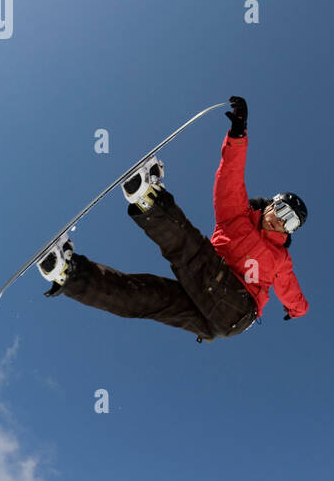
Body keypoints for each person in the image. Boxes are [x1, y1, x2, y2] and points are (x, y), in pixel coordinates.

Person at [38, 97, 309, 342]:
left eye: (291, 223)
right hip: (210, 308)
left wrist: (297, 310)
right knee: (146, 297)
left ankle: (150, 200)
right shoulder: (237, 217)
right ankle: (69, 273)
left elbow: (290, 290)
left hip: (238, 306)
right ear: (272, 204)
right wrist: (238, 134)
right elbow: (230, 180)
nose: (282, 223)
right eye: (283, 212)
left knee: (191, 253)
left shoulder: (281, 258)